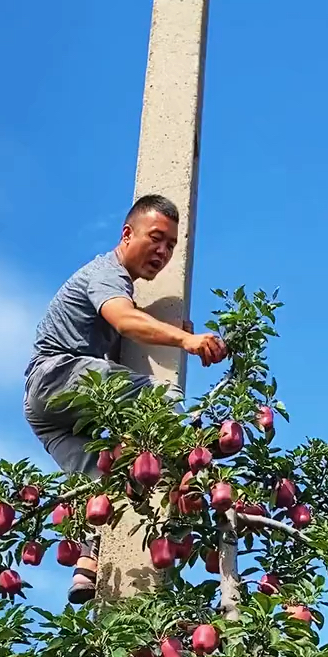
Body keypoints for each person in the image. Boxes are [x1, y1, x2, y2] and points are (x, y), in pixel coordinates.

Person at [24, 193, 227, 602]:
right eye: (156, 237)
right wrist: (185, 339)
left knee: (102, 483)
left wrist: (165, 328)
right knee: (155, 398)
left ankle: (86, 565)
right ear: (127, 233)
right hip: (57, 376)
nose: (163, 251)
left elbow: (127, 323)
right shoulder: (106, 273)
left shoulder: (119, 288)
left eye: (171, 244)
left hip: (45, 414)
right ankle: (198, 449)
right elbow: (124, 319)